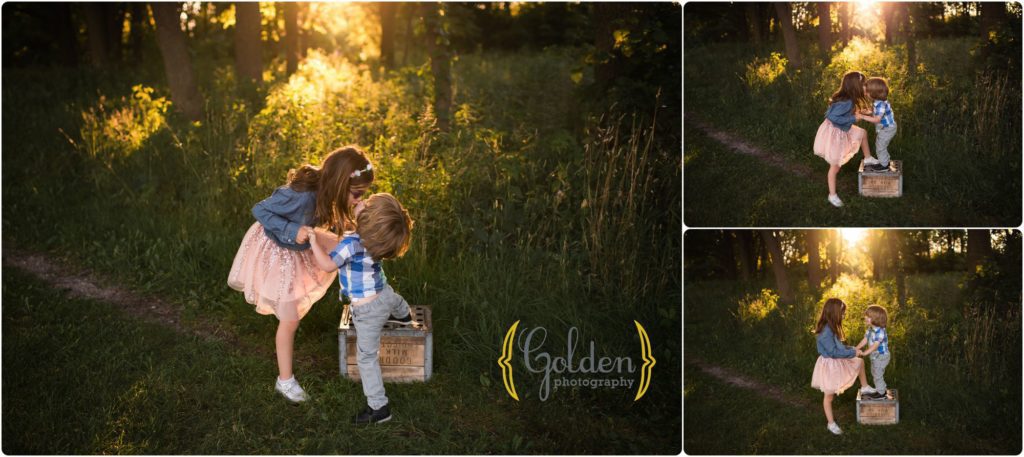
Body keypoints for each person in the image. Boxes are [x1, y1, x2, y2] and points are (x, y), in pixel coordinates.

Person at [227, 145, 374, 403]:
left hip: (299, 244)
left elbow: (330, 222)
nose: (358, 199)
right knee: (290, 319)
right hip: (276, 250)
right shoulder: (303, 195)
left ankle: (368, 294)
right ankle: (285, 381)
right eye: (357, 194)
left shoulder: (327, 193)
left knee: (347, 244)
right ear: (340, 185)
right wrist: (291, 228)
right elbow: (260, 210)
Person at [307, 192, 415, 424]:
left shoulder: (350, 245)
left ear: (366, 221)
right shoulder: (374, 240)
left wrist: (314, 242)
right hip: (383, 292)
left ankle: (379, 407)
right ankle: (405, 316)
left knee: (366, 358)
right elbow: (351, 229)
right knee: (394, 300)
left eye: (366, 204)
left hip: (367, 313)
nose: (362, 201)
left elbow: (327, 265)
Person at [813, 71, 878, 207]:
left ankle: (867, 159)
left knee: (862, 133)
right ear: (856, 87)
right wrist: (853, 118)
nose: (865, 86)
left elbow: (841, 113)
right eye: (863, 84)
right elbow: (832, 117)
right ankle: (832, 195)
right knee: (835, 166)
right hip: (834, 133)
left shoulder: (847, 99)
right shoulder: (847, 101)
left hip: (839, 129)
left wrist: (861, 113)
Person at [811, 298, 874, 435]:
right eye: (843, 313)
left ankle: (864, 387)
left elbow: (837, 347)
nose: (844, 315)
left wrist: (850, 348)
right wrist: (852, 352)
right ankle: (831, 423)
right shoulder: (826, 331)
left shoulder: (831, 327)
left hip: (836, 360)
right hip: (829, 366)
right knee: (829, 396)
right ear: (834, 313)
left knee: (859, 362)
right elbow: (833, 352)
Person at [858, 77, 897, 172]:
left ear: (874, 93)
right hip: (886, 128)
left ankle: (883, 165)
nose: (865, 94)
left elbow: (876, 119)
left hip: (888, 129)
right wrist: (865, 112)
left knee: (880, 146)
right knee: (880, 145)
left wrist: (862, 117)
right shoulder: (878, 102)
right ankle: (885, 161)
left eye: (867, 92)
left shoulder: (881, 105)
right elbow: (874, 112)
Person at [855, 305, 892, 399]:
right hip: (875, 356)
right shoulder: (870, 329)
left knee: (877, 374)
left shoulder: (880, 332)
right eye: (866, 315)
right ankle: (881, 389)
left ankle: (881, 393)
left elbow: (875, 346)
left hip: (881, 356)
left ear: (876, 319)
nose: (866, 318)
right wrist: (856, 348)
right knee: (875, 373)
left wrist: (864, 353)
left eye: (869, 316)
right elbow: (865, 340)